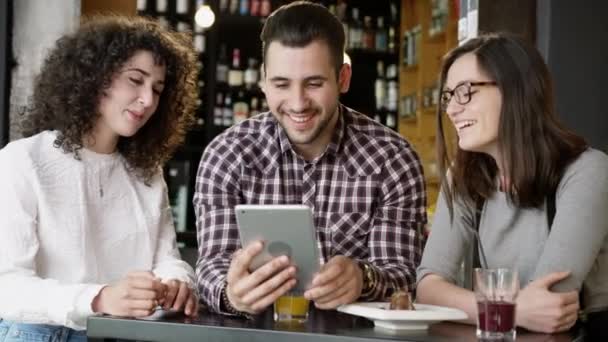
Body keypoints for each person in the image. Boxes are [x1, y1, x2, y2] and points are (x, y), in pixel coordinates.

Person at [194, 1, 426, 317]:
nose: (298, 103)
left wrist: (364, 278)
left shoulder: (392, 159)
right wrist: (231, 293)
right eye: (281, 84)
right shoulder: (227, 154)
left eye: (314, 83)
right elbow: (212, 263)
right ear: (263, 80)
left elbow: (404, 275)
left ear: (343, 78)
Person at [0, 15, 200, 339]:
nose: (148, 100)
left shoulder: (147, 174)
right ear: (95, 77)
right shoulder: (22, 161)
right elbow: (6, 287)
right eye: (136, 80)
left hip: (127, 333)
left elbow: (168, 260)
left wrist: (174, 283)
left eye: (158, 89)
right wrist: (101, 297)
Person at [416, 32, 608, 334]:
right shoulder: (465, 178)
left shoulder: (587, 172)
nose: (452, 109)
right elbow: (427, 289)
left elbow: (549, 307)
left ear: (516, 90)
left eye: (466, 91)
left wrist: (472, 305)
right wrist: (514, 310)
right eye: (449, 96)